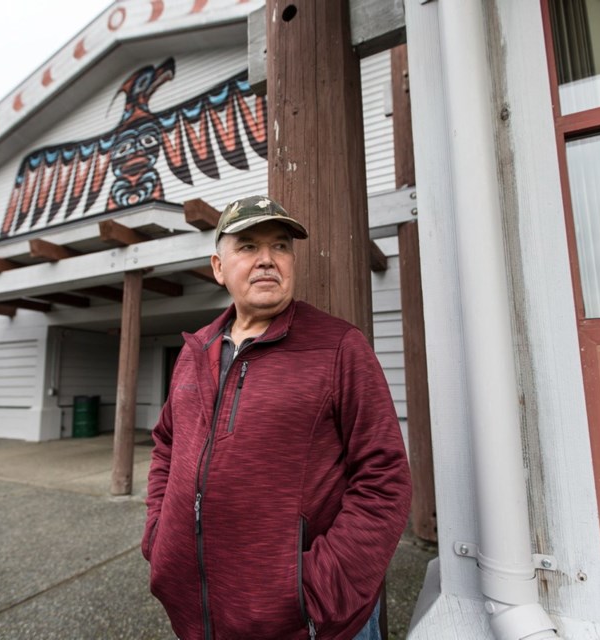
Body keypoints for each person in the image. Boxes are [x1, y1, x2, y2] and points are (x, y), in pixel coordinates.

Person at [142, 195, 412, 640]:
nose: (267, 259)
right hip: (199, 614)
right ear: (218, 267)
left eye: (280, 246)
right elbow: (166, 446)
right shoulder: (195, 352)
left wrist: (316, 588)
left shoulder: (339, 347)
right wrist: (159, 537)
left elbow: (385, 477)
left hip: (309, 622)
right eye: (248, 246)